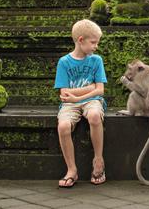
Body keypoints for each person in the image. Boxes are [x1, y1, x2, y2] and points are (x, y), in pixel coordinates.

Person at [55, 19, 107, 188]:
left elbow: (100, 91)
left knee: (93, 115)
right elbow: (63, 93)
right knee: (63, 126)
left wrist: (77, 96)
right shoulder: (64, 62)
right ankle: (71, 170)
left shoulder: (96, 60)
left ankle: (98, 160)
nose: (96, 46)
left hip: (92, 100)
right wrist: (89, 87)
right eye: (93, 42)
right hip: (69, 104)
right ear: (81, 40)